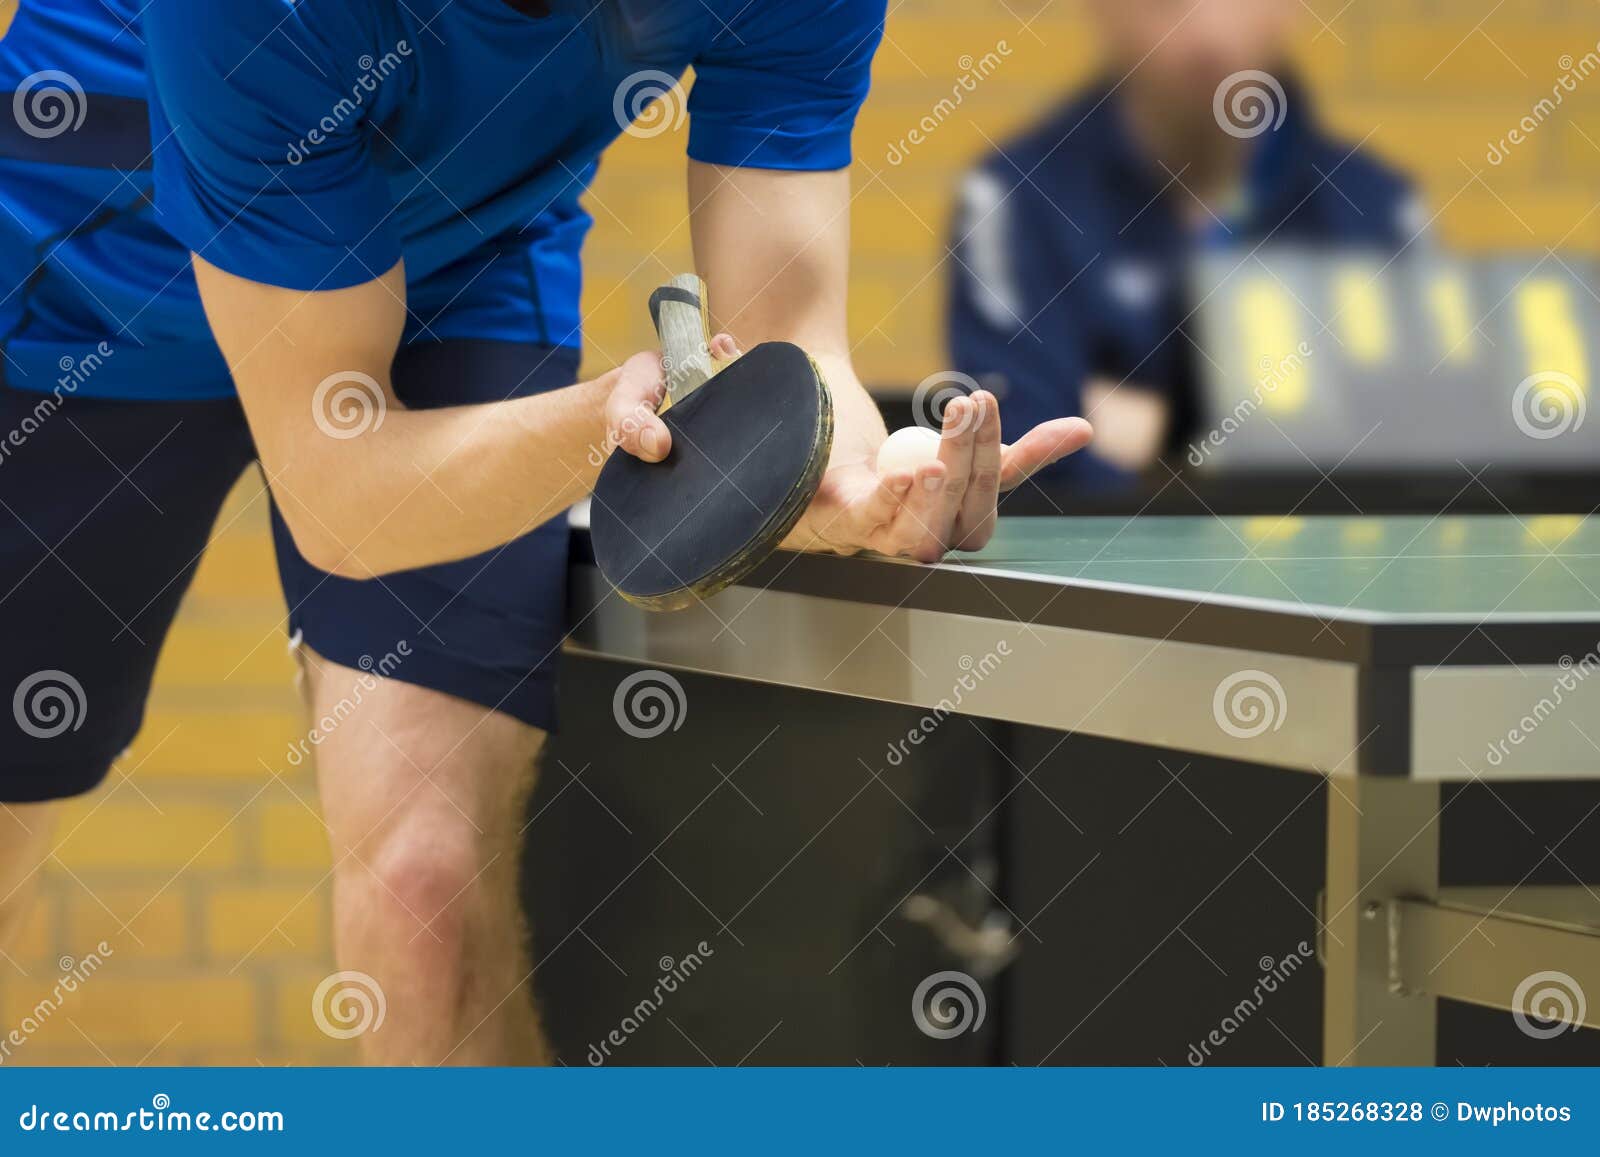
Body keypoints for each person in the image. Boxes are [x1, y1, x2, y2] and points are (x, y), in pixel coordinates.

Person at [0, 0, 1092, 1064]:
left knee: (426, 887)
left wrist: (843, 481)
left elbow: (789, 347)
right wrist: (597, 429)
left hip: (457, 263)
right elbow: (339, 494)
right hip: (88, 269)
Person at [948, 0, 1419, 494]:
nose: (1207, 29)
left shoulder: (1379, 204)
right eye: (1165, 3)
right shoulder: (1015, 197)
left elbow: (1421, 458)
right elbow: (1027, 461)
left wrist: (1163, 433)